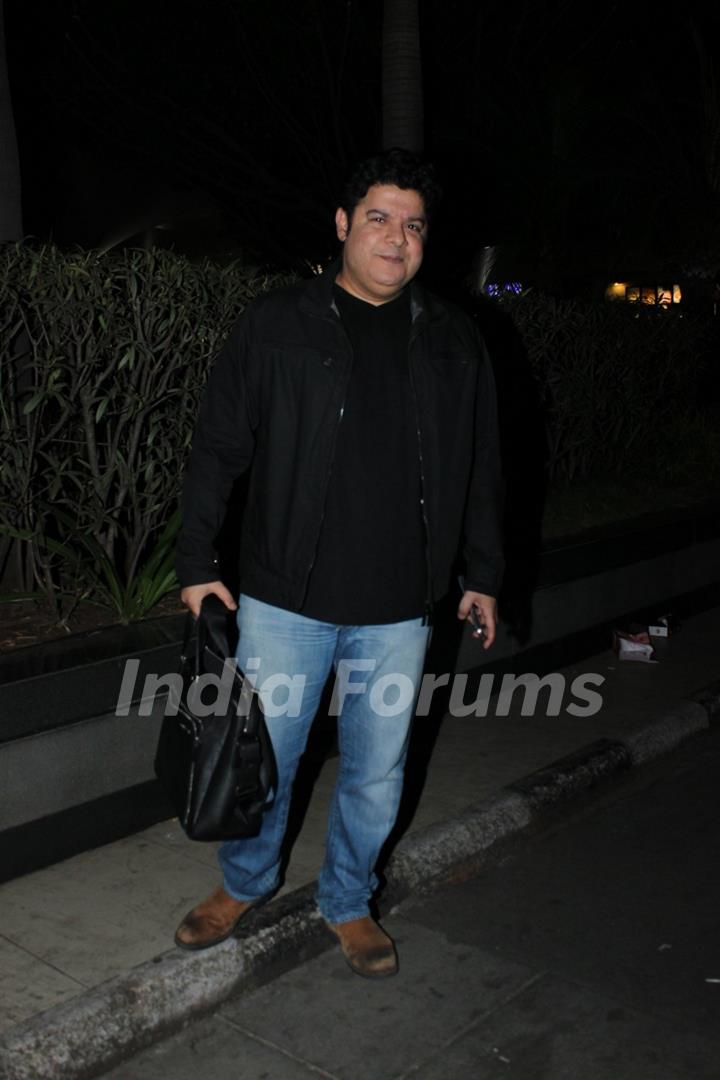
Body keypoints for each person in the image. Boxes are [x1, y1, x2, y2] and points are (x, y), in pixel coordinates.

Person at [173, 148, 504, 978]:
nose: (397, 238)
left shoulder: (455, 340)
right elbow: (218, 446)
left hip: (399, 607)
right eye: (381, 218)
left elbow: (483, 465)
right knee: (265, 760)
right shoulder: (276, 323)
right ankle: (244, 883)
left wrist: (484, 572)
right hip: (287, 599)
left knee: (375, 776)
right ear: (343, 225)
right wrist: (195, 558)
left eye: (414, 224)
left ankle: (349, 899)